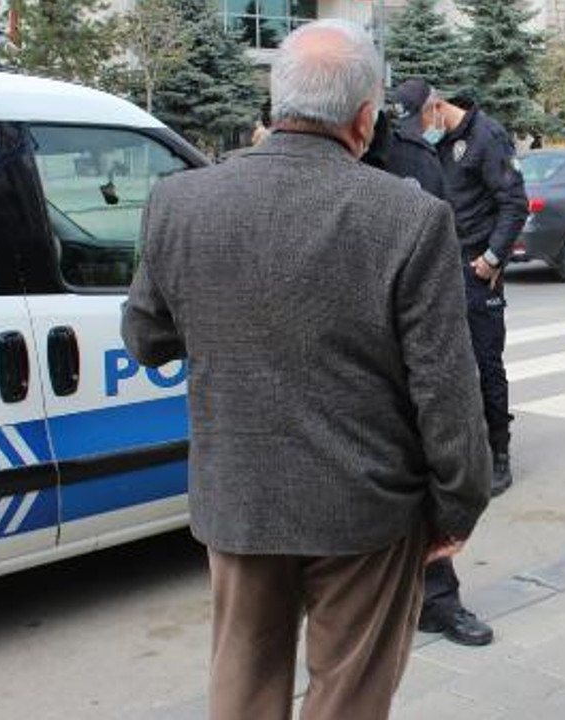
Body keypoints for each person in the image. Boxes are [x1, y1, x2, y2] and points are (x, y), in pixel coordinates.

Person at [121, 21, 490, 720]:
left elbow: (146, 338)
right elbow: (446, 389)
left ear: (276, 100)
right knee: (349, 696)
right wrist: (458, 504)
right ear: (363, 118)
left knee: (242, 688)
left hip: (239, 500)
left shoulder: (180, 203)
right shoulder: (410, 220)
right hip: (366, 513)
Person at [366, 78, 496, 648]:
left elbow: (440, 249)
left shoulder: (412, 159)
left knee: (418, 460)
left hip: (402, 344)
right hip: (333, 350)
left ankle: (437, 598)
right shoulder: (299, 164)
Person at [418, 85, 529, 498]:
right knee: (446, 366)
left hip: (478, 272)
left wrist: (493, 257)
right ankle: (462, 451)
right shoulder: (438, 143)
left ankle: (499, 455)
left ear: (436, 107)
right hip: (442, 269)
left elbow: (514, 203)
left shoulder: (487, 136)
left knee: (487, 363)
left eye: (420, 117)